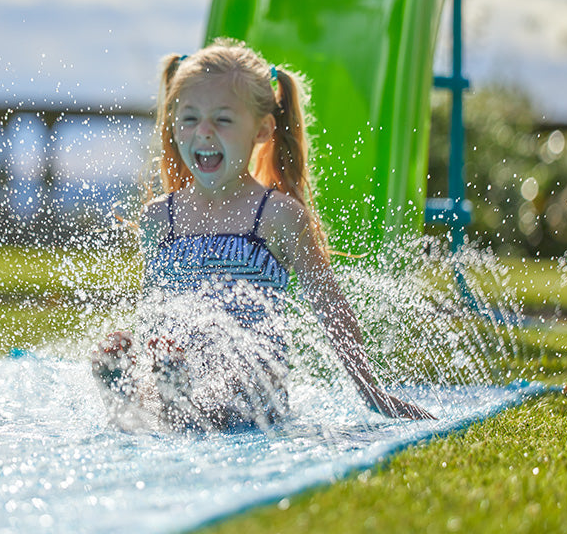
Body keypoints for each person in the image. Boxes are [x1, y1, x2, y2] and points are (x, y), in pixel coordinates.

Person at [92, 39, 434, 430]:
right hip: (179, 366)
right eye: (189, 118)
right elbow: (154, 312)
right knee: (150, 360)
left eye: (222, 119)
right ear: (173, 123)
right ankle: (143, 398)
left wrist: (369, 388)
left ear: (262, 130)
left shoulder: (278, 215)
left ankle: (168, 400)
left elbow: (330, 307)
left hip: (252, 392)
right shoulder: (160, 219)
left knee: (229, 377)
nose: (203, 132)